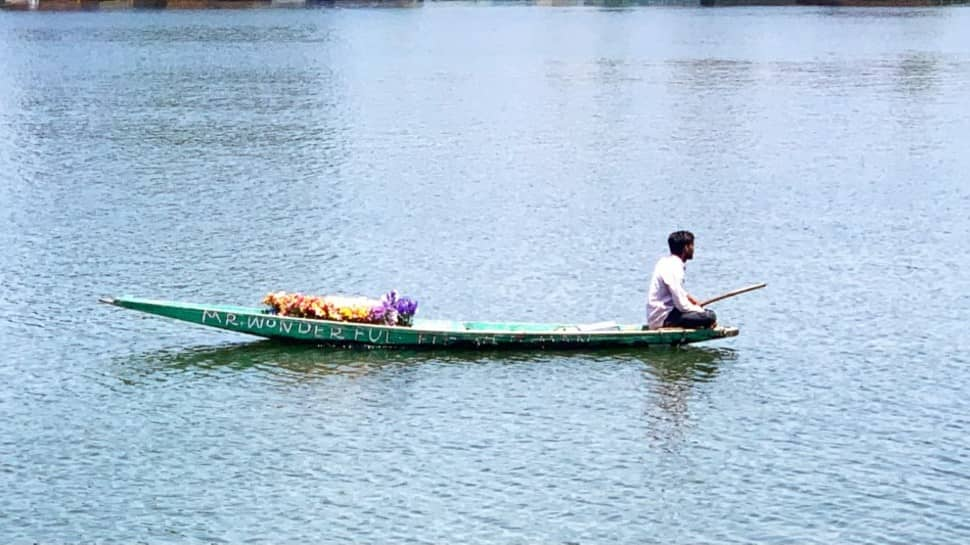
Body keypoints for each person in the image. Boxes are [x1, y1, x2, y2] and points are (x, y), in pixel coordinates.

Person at [646, 230, 717, 330]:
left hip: (660, 315)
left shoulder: (665, 262)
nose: (693, 249)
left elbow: (678, 291)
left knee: (705, 314)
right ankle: (672, 325)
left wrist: (691, 300)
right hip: (664, 317)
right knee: (710, 316)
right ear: (686, 247)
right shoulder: (674, 267)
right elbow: (681, 305)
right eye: (692, 245)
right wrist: (699, 310)